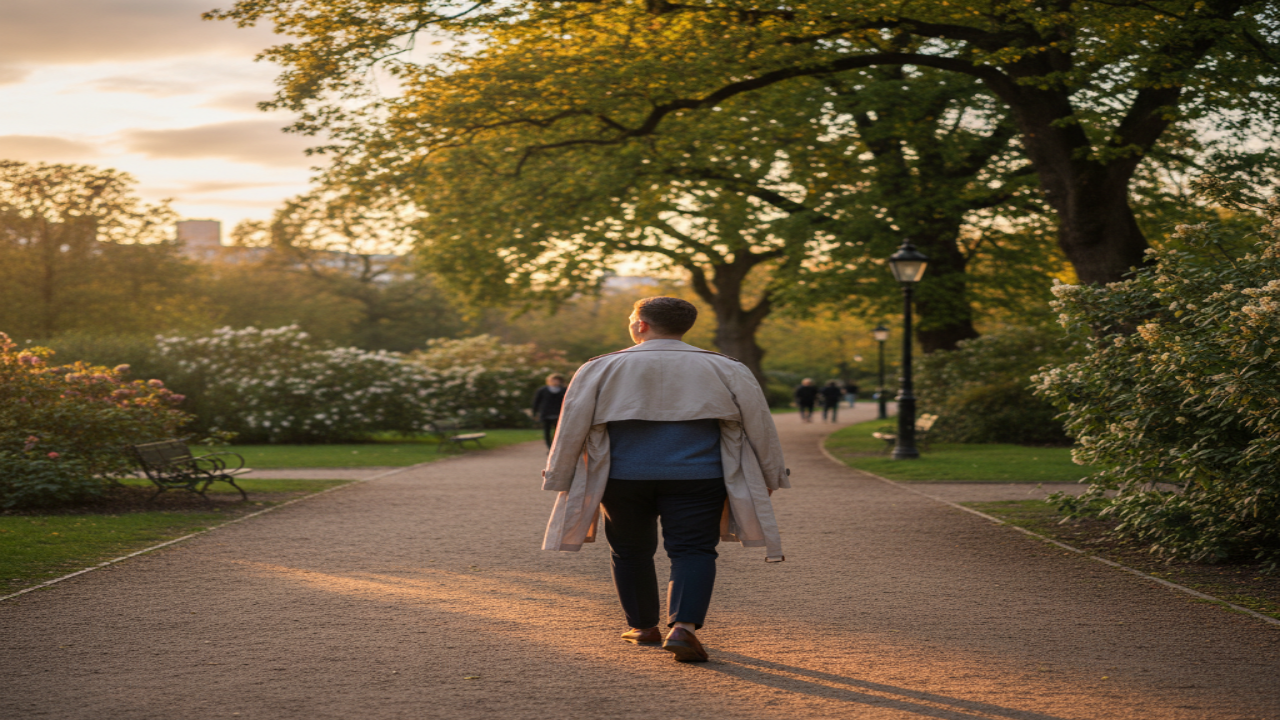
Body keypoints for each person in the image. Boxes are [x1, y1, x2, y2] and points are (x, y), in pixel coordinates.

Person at [540, 296, 789, 664]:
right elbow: (761, 425)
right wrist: (771, 475)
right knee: (693, 549)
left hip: (621, 477)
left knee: (629, 549)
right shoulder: (726, 367)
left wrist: (560, 477)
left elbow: (571, 426)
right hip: (699, 476)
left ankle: (643, 627)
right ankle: (684, 627)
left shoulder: (600, 367)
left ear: (641, 324)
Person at [531, 373, 567, 449]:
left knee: (558, 431)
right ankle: (549, 446)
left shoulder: (564, 390)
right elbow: (536, 402)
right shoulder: (542, 390)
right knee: (547, 431)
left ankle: (556, 446)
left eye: (557, 380)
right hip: (546, 413)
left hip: (559, 413)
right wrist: (535, 413)